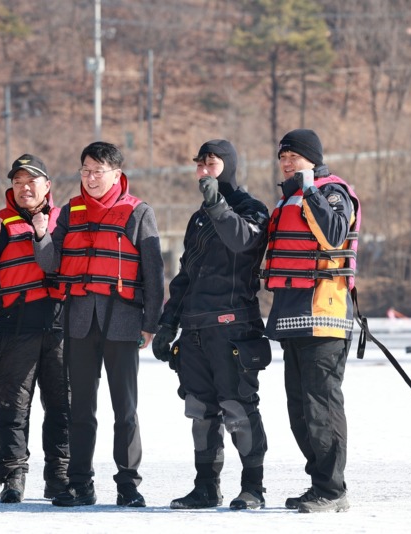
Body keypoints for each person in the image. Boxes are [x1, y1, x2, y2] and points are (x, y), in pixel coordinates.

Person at [32, 141, 164, 508]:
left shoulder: (138, 212)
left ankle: (127, 484)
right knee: (80, 409)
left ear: (116, 175)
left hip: (122, 322)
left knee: (125, 409)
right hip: (78, 323)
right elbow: (50, 263)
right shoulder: (70, 212)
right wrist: (41, 234)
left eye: (98, 171)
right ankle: (79, 484)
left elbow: (154, 273)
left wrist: (151, 322)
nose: (90, 178)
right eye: (85, 171)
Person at [152, 139, 270, 511]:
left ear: (229, 166)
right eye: (199, 164)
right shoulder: (199, 216)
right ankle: (206, 487)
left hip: (234, 328)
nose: (203, 170)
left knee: (238, 408)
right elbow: (186, 274)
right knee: (200, 411)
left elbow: (240, 241)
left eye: (212, 163)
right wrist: (167, 323)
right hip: (195, 329)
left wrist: (217, 202)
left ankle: (253, 487)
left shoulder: (252, 209)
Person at [263, 129, 361, 513]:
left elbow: (334, 234)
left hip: (325, 315)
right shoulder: (287, 198)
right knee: (299, 410)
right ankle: (321, 482)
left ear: (313, 159)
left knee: (321, 406)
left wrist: (310, 191)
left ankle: (332, 490)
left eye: (294, 157)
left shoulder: (332, 191)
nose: (287, 163)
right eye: (283, 157)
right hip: (292, 316)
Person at [0, 154, 70, 503]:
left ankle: (59, 475)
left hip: (61, 325)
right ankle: (13, 475)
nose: (25, 188)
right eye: (17, 182)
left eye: (32, 181)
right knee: (13, 407)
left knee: (63, 406)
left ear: (47, 185)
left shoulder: (65, 219)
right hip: (16, 325)